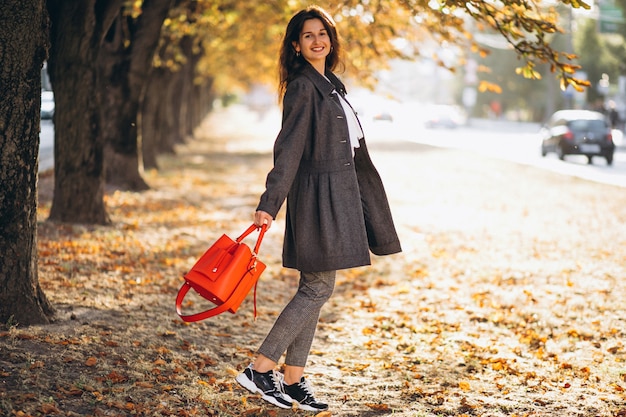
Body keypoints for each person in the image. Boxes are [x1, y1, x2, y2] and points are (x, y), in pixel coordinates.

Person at [235, 5, 401, 411]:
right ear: (296, 45)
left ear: (331, 39)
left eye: (322, 33)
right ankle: (260, 368)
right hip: (316, 199)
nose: (317, 40)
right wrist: (269, 204)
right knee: (317, 287)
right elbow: (288, 150)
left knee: (316, 287)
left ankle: (292, 381)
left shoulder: (331, 84)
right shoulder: (303, 88)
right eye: (307, 35)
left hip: (338, 195)